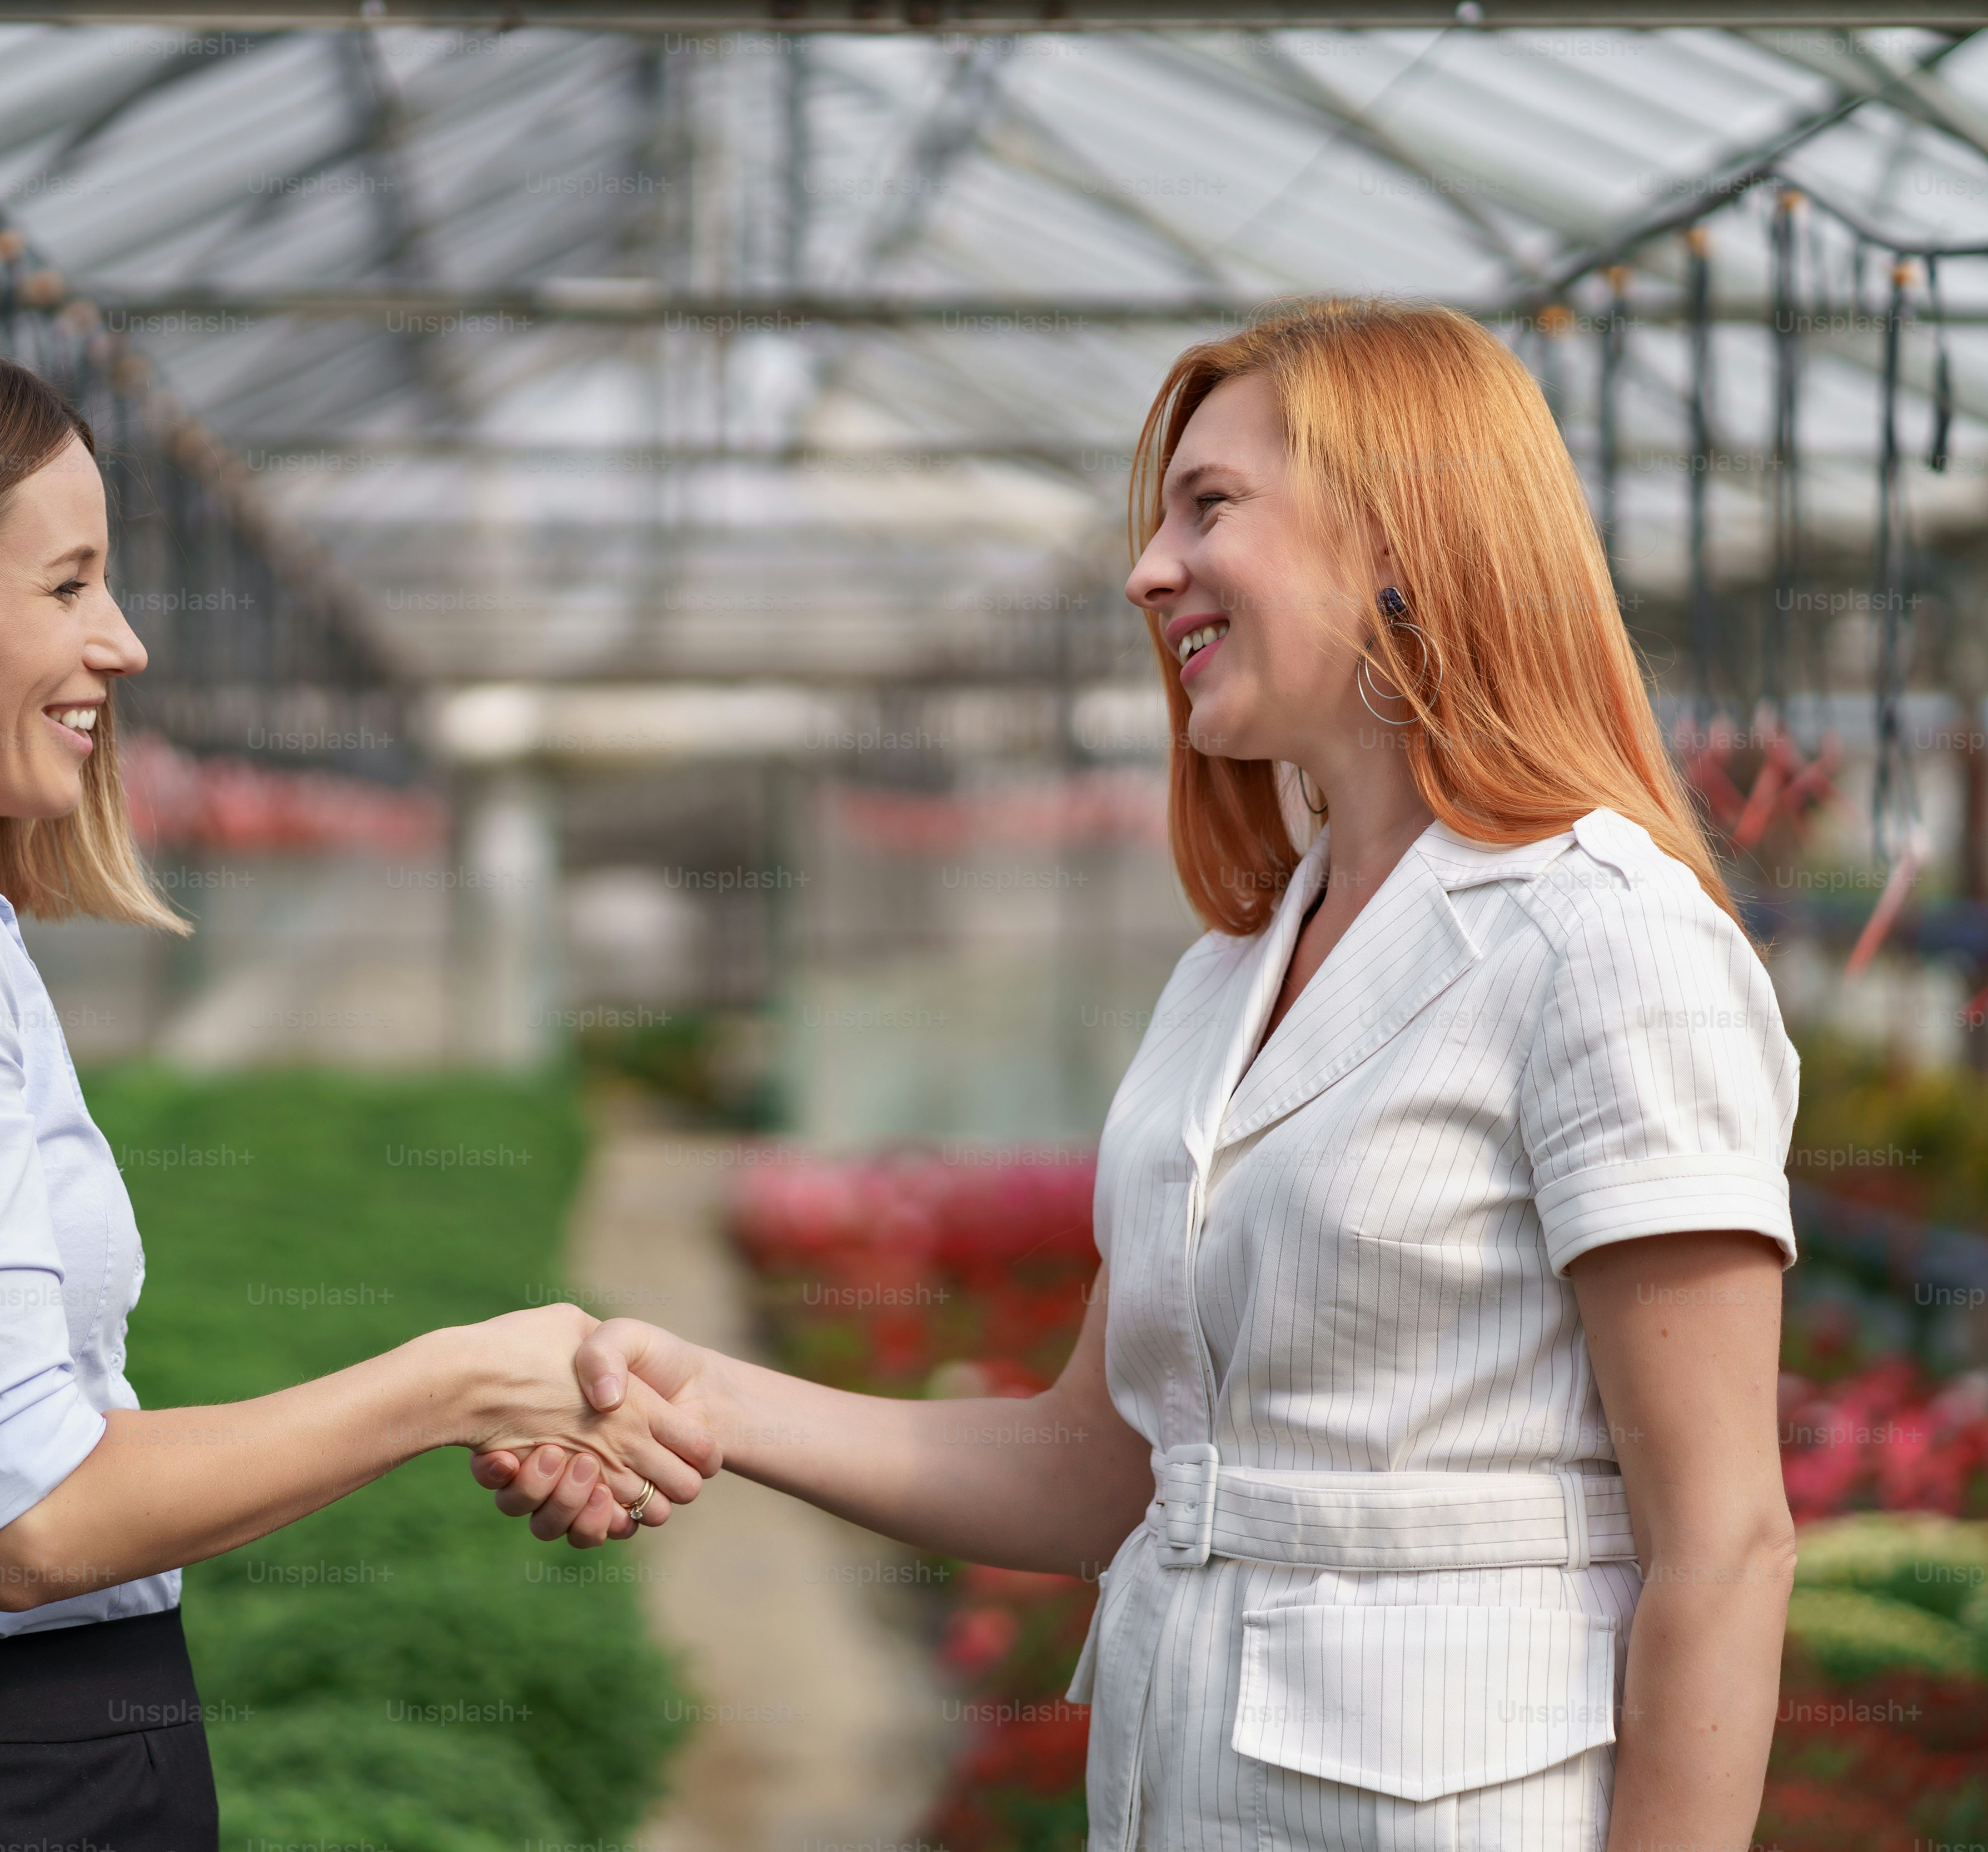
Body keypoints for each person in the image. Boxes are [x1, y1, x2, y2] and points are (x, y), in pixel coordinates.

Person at [482, 297, 1800, 1852]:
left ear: (1404, 531)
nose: (1146, 569)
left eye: (1210, 507)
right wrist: (699, 1391)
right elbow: (1093, 1466)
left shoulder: (1601, 939)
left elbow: (1723, 1543)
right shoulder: (1225, 980)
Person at [0, 339, 710, 1852]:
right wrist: (453, 1383)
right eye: (69, 585)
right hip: (6, 1783)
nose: (126, 643)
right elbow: (35, 1523)